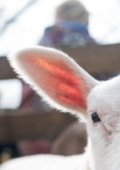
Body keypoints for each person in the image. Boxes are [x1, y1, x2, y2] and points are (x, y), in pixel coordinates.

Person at [18, 0, 110, 156]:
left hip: (41, 129)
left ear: (58, 16)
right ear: (85, 19)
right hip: (88, 127)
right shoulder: (97, 47)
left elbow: (28, 84)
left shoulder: (45, 43)